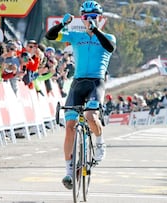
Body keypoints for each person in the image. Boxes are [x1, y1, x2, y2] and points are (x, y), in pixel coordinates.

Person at [45, 0, 116, 190]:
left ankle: (100, 142)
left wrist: (95, 30)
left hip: (96, 82)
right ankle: (69, 172)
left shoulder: (107, 36)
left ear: (99, 18)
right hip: (78, 83)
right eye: (86, 17)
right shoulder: (75, 36)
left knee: (91, 116)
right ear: (82, 18)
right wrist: (62, 24)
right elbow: (49, 35)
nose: (90, 20)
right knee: (69, 125)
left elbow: (109, 48)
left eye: (94, 17)